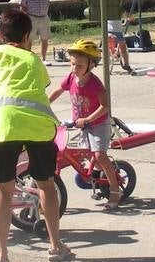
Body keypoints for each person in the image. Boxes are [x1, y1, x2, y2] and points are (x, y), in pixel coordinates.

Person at [0, 8, 70, 262]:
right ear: (27, 36)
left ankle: (1, 256)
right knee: (46, 185)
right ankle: (56, 246)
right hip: (39, 126)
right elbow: (39, 91)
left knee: (4, 189)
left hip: (5, 125)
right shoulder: (34, 60)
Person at [49, 39, 122, 209]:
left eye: (79, 65)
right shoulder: (71, 78)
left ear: (91, 65)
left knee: (99, 155)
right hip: (80, 124)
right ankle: (94, 176)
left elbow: (105, 106)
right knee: (78, 152)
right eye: (72, 64)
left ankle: (114, 190)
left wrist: (89, 119)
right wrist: (44, 104)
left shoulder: (95, 83)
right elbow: (57, 91)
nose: (74, 68)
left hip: (98, 124)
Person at [17, 0, 82, 61]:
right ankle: (28, 59)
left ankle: (43, 59)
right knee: (29, 39)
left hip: (44, 17)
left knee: (45, 39)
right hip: (31, 17)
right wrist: (23, 18)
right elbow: (22, 5)